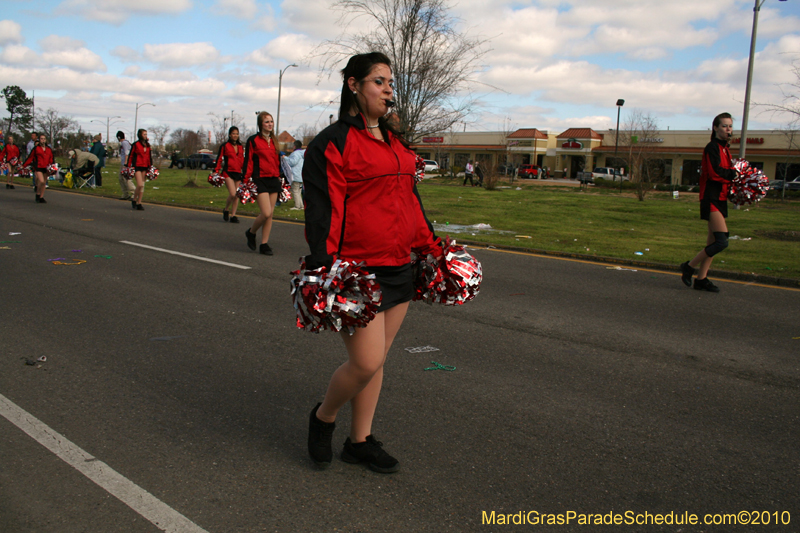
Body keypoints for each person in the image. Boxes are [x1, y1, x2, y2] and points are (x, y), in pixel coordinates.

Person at [304, 52, 442, 474]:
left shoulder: (396, 142)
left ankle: (358, 441)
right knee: (364, 362)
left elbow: (409, 204)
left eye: (389, 83)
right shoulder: (333, 142)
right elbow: (325, 210)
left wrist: (433, 247)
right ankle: (324, 416)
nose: (388, 90)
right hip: (357, 272)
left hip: (400, 266)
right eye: (379, 81)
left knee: (377, 360)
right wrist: (326, 266)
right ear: (353, 85)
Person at [680, 113, 737, 293]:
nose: (728, 129)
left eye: (730, 126)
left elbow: (726, 172)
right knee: (722, 241)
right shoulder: (712, 147)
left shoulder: (725, 149)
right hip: (710, 198)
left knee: (712, 242)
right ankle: (688, 266)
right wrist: (733, 175)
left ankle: (701, 279)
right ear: (715, 128)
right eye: (724, 126)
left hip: (720, 198)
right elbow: (714, 173)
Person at [242, 112, 281, 255]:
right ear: (260, 124)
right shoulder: (253, 140)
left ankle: (264, 244)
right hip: (259, 179)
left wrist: (281, 178)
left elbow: (277, 162)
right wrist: (245, 181)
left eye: (271, 121)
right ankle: (251, 233)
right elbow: (249, 162)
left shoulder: (275, 140)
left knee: (270, 215)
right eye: (266, 122)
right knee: (266, 213)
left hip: (273, 179)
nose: (270, 124)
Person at [215, 126, 245, 223]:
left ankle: (233, 215)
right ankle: (226, 209)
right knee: (232, 193)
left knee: (237, 195)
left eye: (237, 133)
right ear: (229, 135)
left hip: (238, 173)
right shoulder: (225, 146)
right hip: (228, 172)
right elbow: (219, 158)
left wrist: (245, 172)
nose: (235, 135)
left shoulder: (240, 147)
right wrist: (216, 170)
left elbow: (242, 160)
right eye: (233, 133)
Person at [23, 133, 54, 203]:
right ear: (39, 140)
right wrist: (24, 165)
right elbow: (30, 157)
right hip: (38, 166)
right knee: (41, 181)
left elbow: (51, 158)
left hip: (46, 167)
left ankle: (41, 196)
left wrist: (52, 165)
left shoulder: (49, 149)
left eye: (44, 139)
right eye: (41, 139)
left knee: (44, 182)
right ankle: (37, 193)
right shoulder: (36, 148)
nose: (43, 140)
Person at [126, 129, 151, 211]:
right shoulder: (135, 145)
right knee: (139, 184)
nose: (145, 136)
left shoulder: (147, 145)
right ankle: (134, 199)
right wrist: (129, 166)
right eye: (144, 134)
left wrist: (150, 166)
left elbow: (149, 156)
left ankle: (139, 202)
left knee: (142, 186)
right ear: (140, 135)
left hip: (145, 166)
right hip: (137, 166)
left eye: (146, 134)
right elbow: (131, 155)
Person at [286, 140, 305, 210]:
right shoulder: (302, 154)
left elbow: (292, 162)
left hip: (295, 176)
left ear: (294, 146)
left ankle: (297, 206)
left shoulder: (295, 154)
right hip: (300, 176)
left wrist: (285, 158)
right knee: (298, 191)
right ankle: (301, 206)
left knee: (295, 191)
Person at [116, 131, 135, 200]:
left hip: (125, 163)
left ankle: (134, 193)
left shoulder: (124, 143)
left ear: (119, 137)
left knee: (127, 178)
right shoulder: (126, 143)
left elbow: (127, 153)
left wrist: (126, 163)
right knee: (121, 178)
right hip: (124, 163)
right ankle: (125, 193)